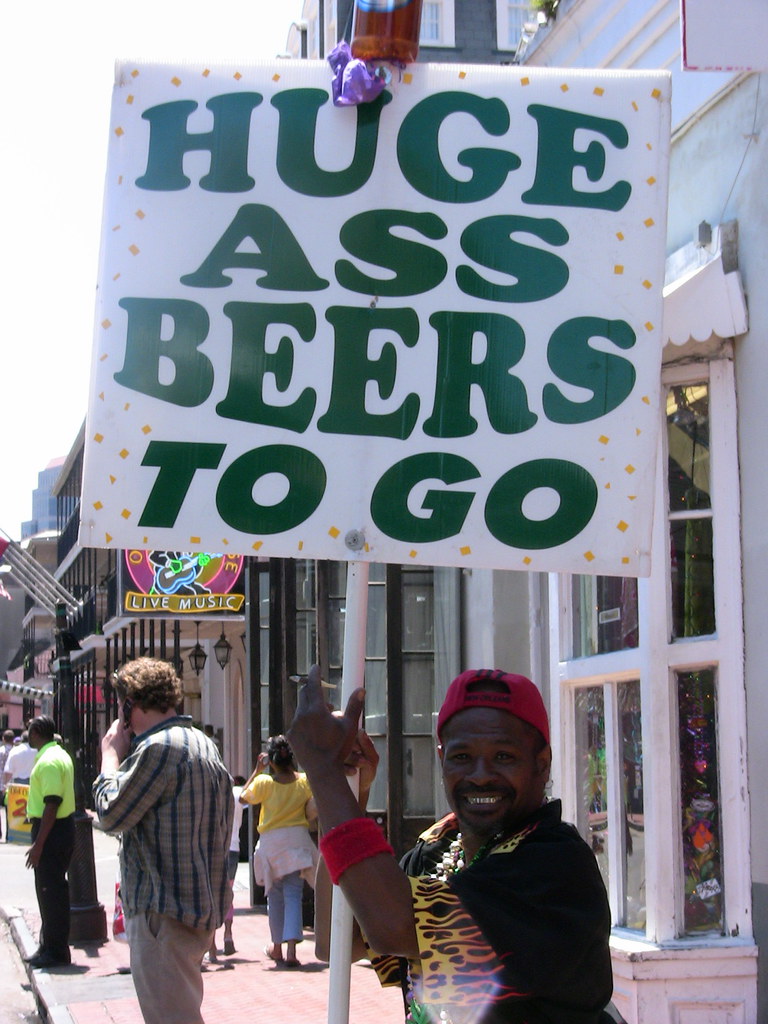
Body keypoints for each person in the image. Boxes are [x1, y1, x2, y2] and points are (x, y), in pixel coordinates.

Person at [289, 666, 614, 1024]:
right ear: (441, 758)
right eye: (462, 757)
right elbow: (335, 939)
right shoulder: (438, 850)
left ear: (542, 764)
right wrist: (352, 791)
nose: (480, 775)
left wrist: (324, 772)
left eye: (503, 756)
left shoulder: (554, 864)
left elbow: (393, 927)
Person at [93, 658, 233, 1024]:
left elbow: (110, 813)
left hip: (162, 912)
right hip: (196, 908)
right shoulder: (203, 744)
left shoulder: (157, 749)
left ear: (129, 706)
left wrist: (109, 758)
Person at [239, 736, 317, 967]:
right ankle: (292, 950)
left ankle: (276, 947)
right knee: (294, 894)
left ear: (271, 761)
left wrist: (256, 770)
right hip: (297, 840)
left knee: (275, 895)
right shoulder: (304, 782)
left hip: (272, 842)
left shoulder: (264, 783)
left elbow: (242, 798)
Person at [24, 715, 76, 968]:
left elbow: (52, 803)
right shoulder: (58, 755)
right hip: (59, 830)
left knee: (50, 893)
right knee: (50, 892)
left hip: (52, 832)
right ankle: (49, 946)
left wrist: (39, 844)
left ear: (36, 733)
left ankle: (56, 951)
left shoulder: (49, 762)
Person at [206, 773, 246, 965]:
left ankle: (212, 948)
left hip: (213, 851)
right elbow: (249, 789)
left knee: (210, 898)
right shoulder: (236, 795)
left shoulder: (208, 797)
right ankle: (228, 935)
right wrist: (257, 769)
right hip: (233, 850)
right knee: (227, 894)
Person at [0, 728, 14, 840]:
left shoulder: (0, 751)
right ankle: (10, 833)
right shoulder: (15, 751)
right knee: (10, 810)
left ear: (3, 739)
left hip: (0, 783)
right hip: (12, 785)